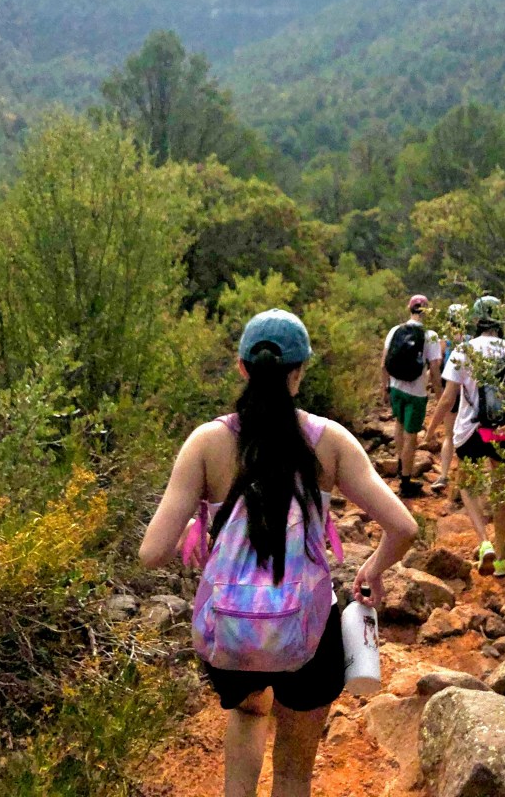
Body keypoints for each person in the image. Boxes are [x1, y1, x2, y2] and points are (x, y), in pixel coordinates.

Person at [140, 309, 418, 797]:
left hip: (230, 631)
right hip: (306, 633)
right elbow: (402, 527)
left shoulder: (206, 443)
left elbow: (151, 554)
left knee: (248, 715)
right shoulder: (329, 442)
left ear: (242, 367)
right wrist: (372, 569)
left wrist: (194, 525)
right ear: (300, 370)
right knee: (293, 772)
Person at [425, 296, 505, 577]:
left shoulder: (464, 350)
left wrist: (431, 429)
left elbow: (448, 398)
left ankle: (484, 543)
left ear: (475, 320)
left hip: (471, 431)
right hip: (504, 431)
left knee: (467, 487)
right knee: (501, 494)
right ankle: (499, 560)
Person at [381, 294, 442, 497]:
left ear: (409, 308)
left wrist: (385, 388)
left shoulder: (394, 331)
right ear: (426, 311)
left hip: (396, 387)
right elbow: (434, 369)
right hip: (416, 393)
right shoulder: (430, 336)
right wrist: (439, 395)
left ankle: (401, 465)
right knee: (411, 435)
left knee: (399, 424)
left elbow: (384, 363)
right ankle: (406, 482)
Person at [431, 303, 470, 495]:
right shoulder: (471, 341)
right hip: (468, 395)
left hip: (450, 392)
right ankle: (466, 480)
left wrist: (439, 393)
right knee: (468, 436)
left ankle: (444, 475)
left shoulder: (443, 343)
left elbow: (436, 368)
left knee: (449, 435)